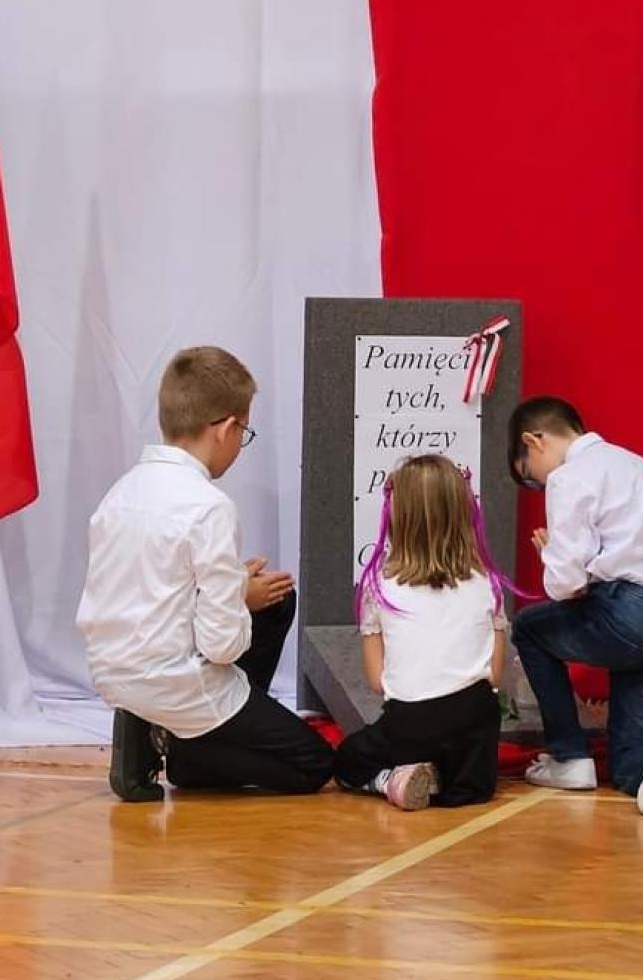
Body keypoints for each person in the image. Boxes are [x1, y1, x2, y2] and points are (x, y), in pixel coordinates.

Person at [76, 346, 334, 801]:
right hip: (178, 683)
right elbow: (221, 645)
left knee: (275, 600)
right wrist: (238, 598)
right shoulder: (209, 506)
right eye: (244, 433)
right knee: (312, 763)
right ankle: (191, 754)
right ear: (227, 429)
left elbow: (151, 591)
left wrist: (236, 587)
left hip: (112, 672)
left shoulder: (120, 493)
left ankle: (149, 727)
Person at [508, 396, 643, 816]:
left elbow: (564, 585)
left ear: (534, 442)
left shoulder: (569, 477)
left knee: (529, 629)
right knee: (630, 757)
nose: (539, 487)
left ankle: (569, 757)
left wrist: (553, 555)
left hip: (630, 614)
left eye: (530, 479)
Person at [333, 455, 509, 811]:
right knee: (468, 791)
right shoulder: (488, 583)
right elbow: (494, 672)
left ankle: (391, 780)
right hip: (474, 721)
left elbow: (376, 680)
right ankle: (444, 777)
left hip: (411, 722)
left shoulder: (378, 585)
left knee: (346, 761)